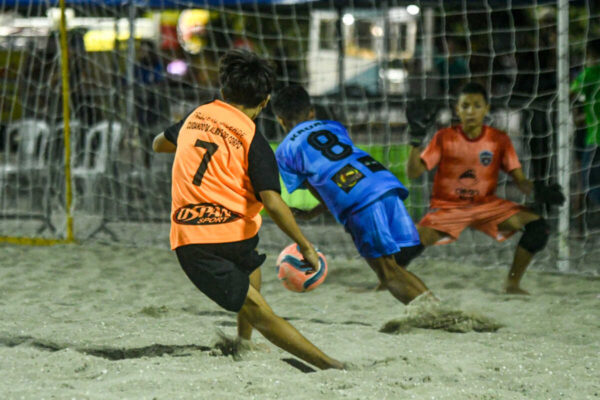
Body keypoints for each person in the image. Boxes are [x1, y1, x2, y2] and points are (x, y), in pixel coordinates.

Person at [152, 50, 343, 370]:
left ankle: (242, 343)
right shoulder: (254, 141)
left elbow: (159, 143)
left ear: (223, 90)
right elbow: (272, 201)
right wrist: (306, 246)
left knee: (250, 263)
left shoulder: (197, 115)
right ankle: (332, 367)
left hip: (197, 234)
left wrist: (190, 139)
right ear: (265, 102)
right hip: (215, 240)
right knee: (261, 311)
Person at [271, 85, 435, 305]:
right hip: (381, 181)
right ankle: (434, 307)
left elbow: (318, 187)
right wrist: (314, 213)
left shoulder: (285, 150)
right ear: (311, 112)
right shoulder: (333, 126)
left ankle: (437, 313)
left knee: (388, 273)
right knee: (393, 264)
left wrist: (312, 212)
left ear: (280, 120)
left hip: (358, 199)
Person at [406, 82, 565, 295]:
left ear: (487, 108)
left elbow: (520, 180)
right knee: (412, 240)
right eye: (465, 106)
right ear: (457, 109)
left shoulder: (499, 140)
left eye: (477, 106)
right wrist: (416, 140)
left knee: (538, 227)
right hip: (450, 207)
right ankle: (385, 282)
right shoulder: (444, 137)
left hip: (486, 206)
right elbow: (413, 173)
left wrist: (537, 190)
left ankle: (512, 283)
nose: (471, 111)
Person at [571, 38, 600, 211]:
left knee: (588, 180)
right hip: (592, 133)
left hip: (595, 137)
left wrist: (578, 110)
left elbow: (570, 94)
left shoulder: (590, 73)